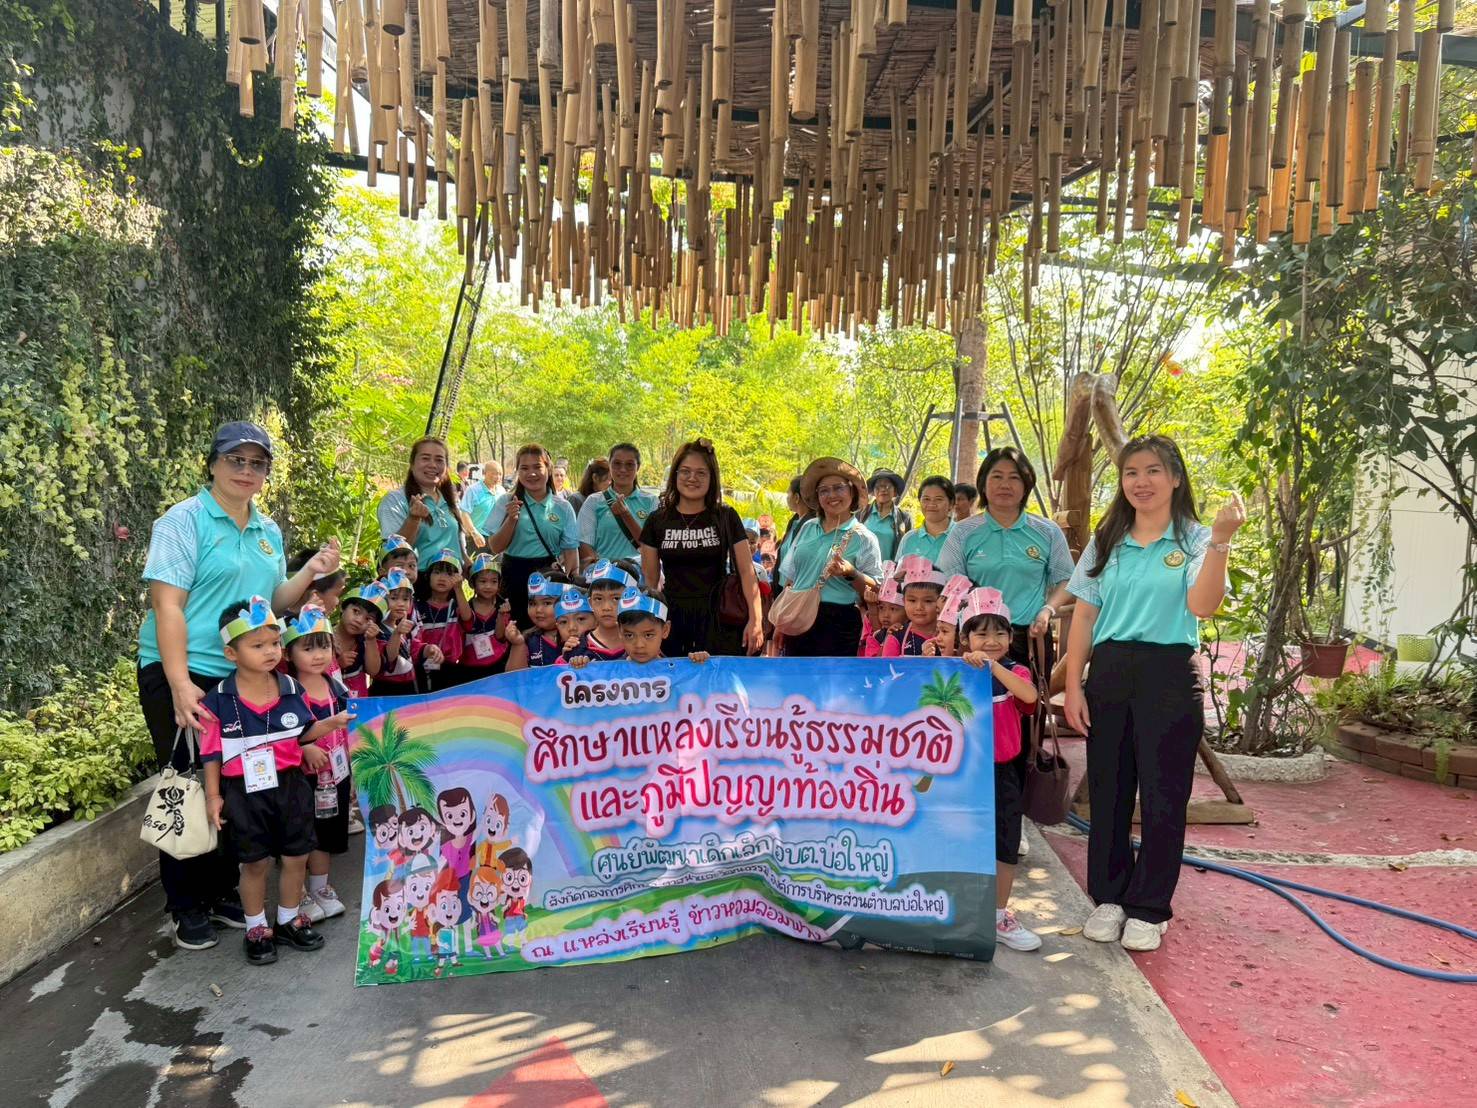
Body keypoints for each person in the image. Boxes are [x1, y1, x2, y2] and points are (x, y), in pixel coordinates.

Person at [136, 420, 341, 952]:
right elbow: (167, 606)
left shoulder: (267, 529)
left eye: (257, 463)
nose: (246, 471)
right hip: (184, 670)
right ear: (213, 463)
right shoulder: (183, 521)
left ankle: (222, 889)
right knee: (189, 781)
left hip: (243, 675)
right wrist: (180, 683)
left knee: (241, 784)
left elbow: (272, 602)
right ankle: (185, 903)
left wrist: (311, 572)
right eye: (235, 460)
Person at [1062, 435, 1244, 953]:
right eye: (1130, 473)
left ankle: (1149, 906)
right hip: (1110, 671)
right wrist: (1073, 685)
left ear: (1176, 478)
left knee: (1165, 795)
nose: (1140, 482)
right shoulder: (1108, 539)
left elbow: (1202, 605)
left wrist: (1221, 540)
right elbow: (1085, 617)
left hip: (1168, 673)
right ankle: (1109, 897)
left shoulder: (1196, 539)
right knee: (1110, 788)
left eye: (1153, 471)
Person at [200, 598, 348, 965]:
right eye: (258, 645)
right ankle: (256, 928)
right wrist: (214, 797)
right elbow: (211, 754)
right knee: (254, 864)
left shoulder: (291, 689)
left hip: (291, 786)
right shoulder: (218, 700)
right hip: (244, 793)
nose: (270, 652)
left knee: (296, 856)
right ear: (231, 653)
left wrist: (331, 723)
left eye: (274, 643)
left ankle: (288, 920)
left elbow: (303, 733)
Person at [954, 587, 1042, 953]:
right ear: (965, 639)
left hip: (1003, 772)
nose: (991, 641)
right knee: (960, 840)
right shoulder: (956, 670)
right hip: (961, 774)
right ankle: (959, 910)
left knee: (1005, 844)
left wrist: (993, 667)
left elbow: (1030, 696)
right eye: (981, 633)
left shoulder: (1014, 671)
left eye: (1000, 633)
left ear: (1010, 637)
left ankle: (998, 915)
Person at [939, 448, 1075, 681]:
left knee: (1030, 703)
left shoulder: (1047, 531)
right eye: (997, 476)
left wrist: (1047, 610)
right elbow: (950, 584)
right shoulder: (962, 532)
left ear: (1026, 485)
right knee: (978, 703)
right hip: (978, 642)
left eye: (1014, 477)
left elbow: (1067, 579)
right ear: (983, 484)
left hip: (1030, 637)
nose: (1005, 484)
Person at [638, 438, 764, 657]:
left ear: (711, 478)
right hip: (672, 619)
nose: (692, 478)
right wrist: (649, 629)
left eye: (701, 473)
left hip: (720, 618)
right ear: (675, 474)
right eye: (685, 471)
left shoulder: (725, 516)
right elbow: (651, 581)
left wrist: (756, 620)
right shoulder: (657, 520)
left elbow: (747, 572)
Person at [281, 607, 354, 924]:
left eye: (324, 646)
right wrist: (305, 747)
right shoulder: (288, 692)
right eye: (308, 648)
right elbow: (283, 734)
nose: (318, 655)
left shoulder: (336, 687)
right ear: (288, 653)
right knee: (302, 836)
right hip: (302, 780)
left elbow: (350, 730)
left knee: (326, 834)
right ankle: (298, 894)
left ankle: (320, 888)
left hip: (336, 776)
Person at [778, 458, 882, 657]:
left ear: (852, 492)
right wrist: (782, 622)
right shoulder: (808, 527)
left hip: (839, 623)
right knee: (796, 675)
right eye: (824, 490)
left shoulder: (864, 537)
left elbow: (876, 589)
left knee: (834, 678)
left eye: (838, 488)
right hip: (798, 617)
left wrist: (851, 573)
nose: (831, 495)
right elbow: (791, 578)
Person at [487, 443, 580, 625]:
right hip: (513, 575)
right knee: (514, 629)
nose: (531, 473)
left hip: (549, 575)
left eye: (537, 467)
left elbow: (570, 550)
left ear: (548, 469)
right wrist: (511, 519)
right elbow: (495, 547)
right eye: (524, 468)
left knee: (548, 629)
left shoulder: (563, 506)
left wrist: (568, 581)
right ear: (518, 472)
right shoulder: (506, 501)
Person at [376, 437, 477, 571]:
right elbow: (393, 554)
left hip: (452, 579)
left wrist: (474, 572)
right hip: (415, 580)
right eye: (425, 458)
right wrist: (413, 519)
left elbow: (458, 550)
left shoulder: (449, 501)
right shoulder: (395, 500)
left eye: (439, 460)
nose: (433, 465)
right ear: (412, 464)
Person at [578, 443, 658, 566]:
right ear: (609, 466)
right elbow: (584, 544)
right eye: (617, 464)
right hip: (605, 573)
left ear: (638, 467)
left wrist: (626, 515)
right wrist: (600, 569)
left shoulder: (651, 501)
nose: (623, 470)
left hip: (642, 573)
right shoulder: (593, 501)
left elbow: (652, 546)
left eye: (629, 464)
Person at [415, 549, 472, 689]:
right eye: (437, 572)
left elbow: (468, 620)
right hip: (422, 667)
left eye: (449, 574)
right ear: (428, 576)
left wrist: (459, 589)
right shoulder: (418, 607)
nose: (442, 577)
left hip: (451, 667)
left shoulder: (456, 606)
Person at [564, 559, 637, 663]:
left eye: (616, 598)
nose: (606, 607)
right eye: (598, 599)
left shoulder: (645, 645)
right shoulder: (576, 649)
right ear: (590, 603)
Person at [459, 553, 510, 679]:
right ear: (472, 584)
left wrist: (501, 615)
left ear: (499, 584)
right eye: (483, 581)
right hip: (470, 668)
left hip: (498, 665)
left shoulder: (503, 606)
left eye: (494, 581)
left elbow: (501, 637)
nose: (488, 586)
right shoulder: (466, 608)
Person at [882, 557, 946, 656]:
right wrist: (921, 660)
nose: (919, 607)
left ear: (942, 602)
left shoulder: (952, 635)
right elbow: (888, 665)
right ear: (904, 601)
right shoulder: (897, 637)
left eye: (928, 601)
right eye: (912, 600)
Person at [503, 573, 566, 669]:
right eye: (532, 603)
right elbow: (514, 675)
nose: (538, 610)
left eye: (547, 603)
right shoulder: (528, 639)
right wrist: (518, 645)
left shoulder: (580, 636)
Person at [895, 475, 955, 565]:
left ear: (951, 503)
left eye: (938, 499)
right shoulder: (909, 539)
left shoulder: (963, 536)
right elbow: (897, 572)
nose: (932, 504)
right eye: (926, 499)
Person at [858, 468, 912, 562]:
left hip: (890, 570)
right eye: (878, 487)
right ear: (873, 492)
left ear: (895, 491)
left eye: (887, 486)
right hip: (861, 568)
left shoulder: (904, 518)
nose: (883, 490)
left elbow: (908, 549)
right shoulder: (861, 513)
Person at [460, 460, 505, 538]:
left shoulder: (502, 491)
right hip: (477, 537)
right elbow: (464, 513)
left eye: (500, 474)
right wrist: (474, 533)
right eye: (494, 473)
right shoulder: (473, 490)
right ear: (484, 473)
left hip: (497, 537)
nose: (497, 477)